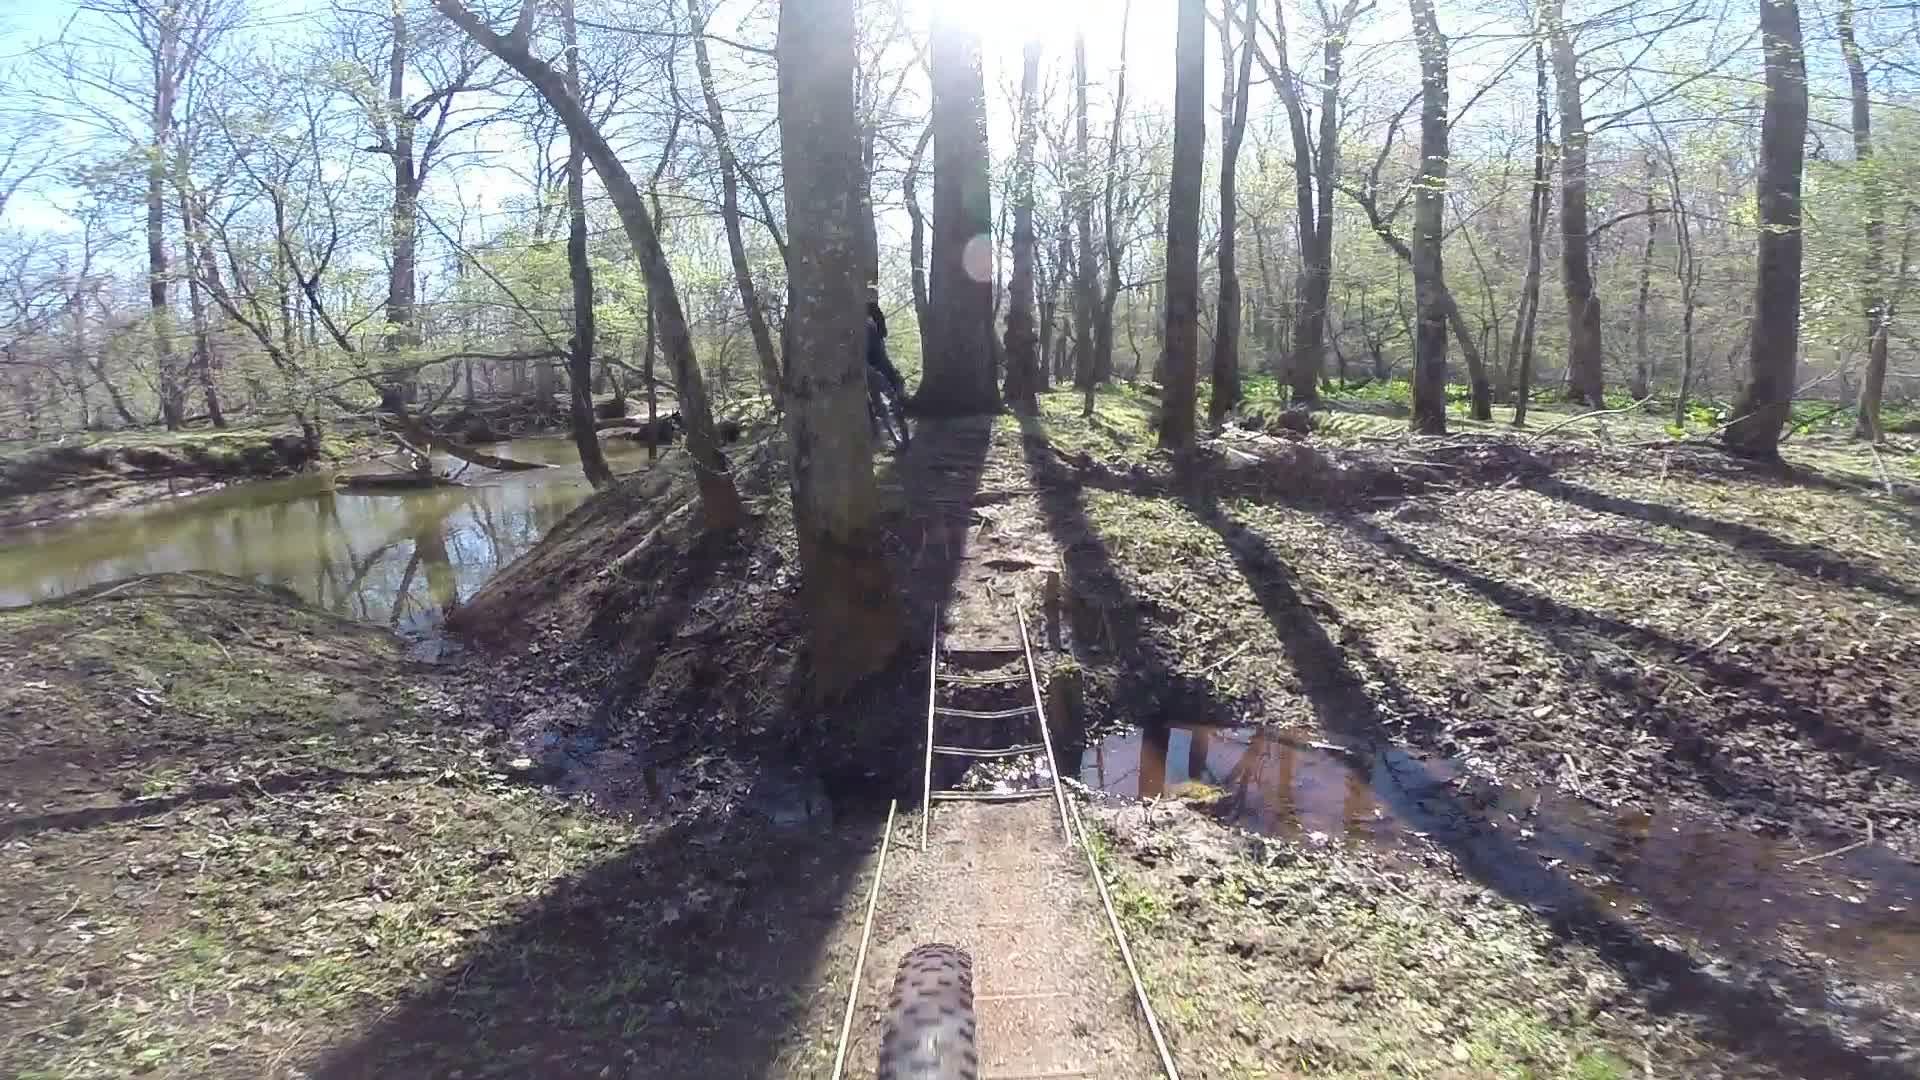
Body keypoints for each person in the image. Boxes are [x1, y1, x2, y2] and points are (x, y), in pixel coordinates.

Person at [865, 284, 907, 404]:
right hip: (873, 350)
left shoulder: (872, 310)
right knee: (884, 371)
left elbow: (883, 331)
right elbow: (883, 332)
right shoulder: (870, 310)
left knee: (885, 371)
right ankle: (895, 396)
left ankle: (896, 396)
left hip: (874, 348)